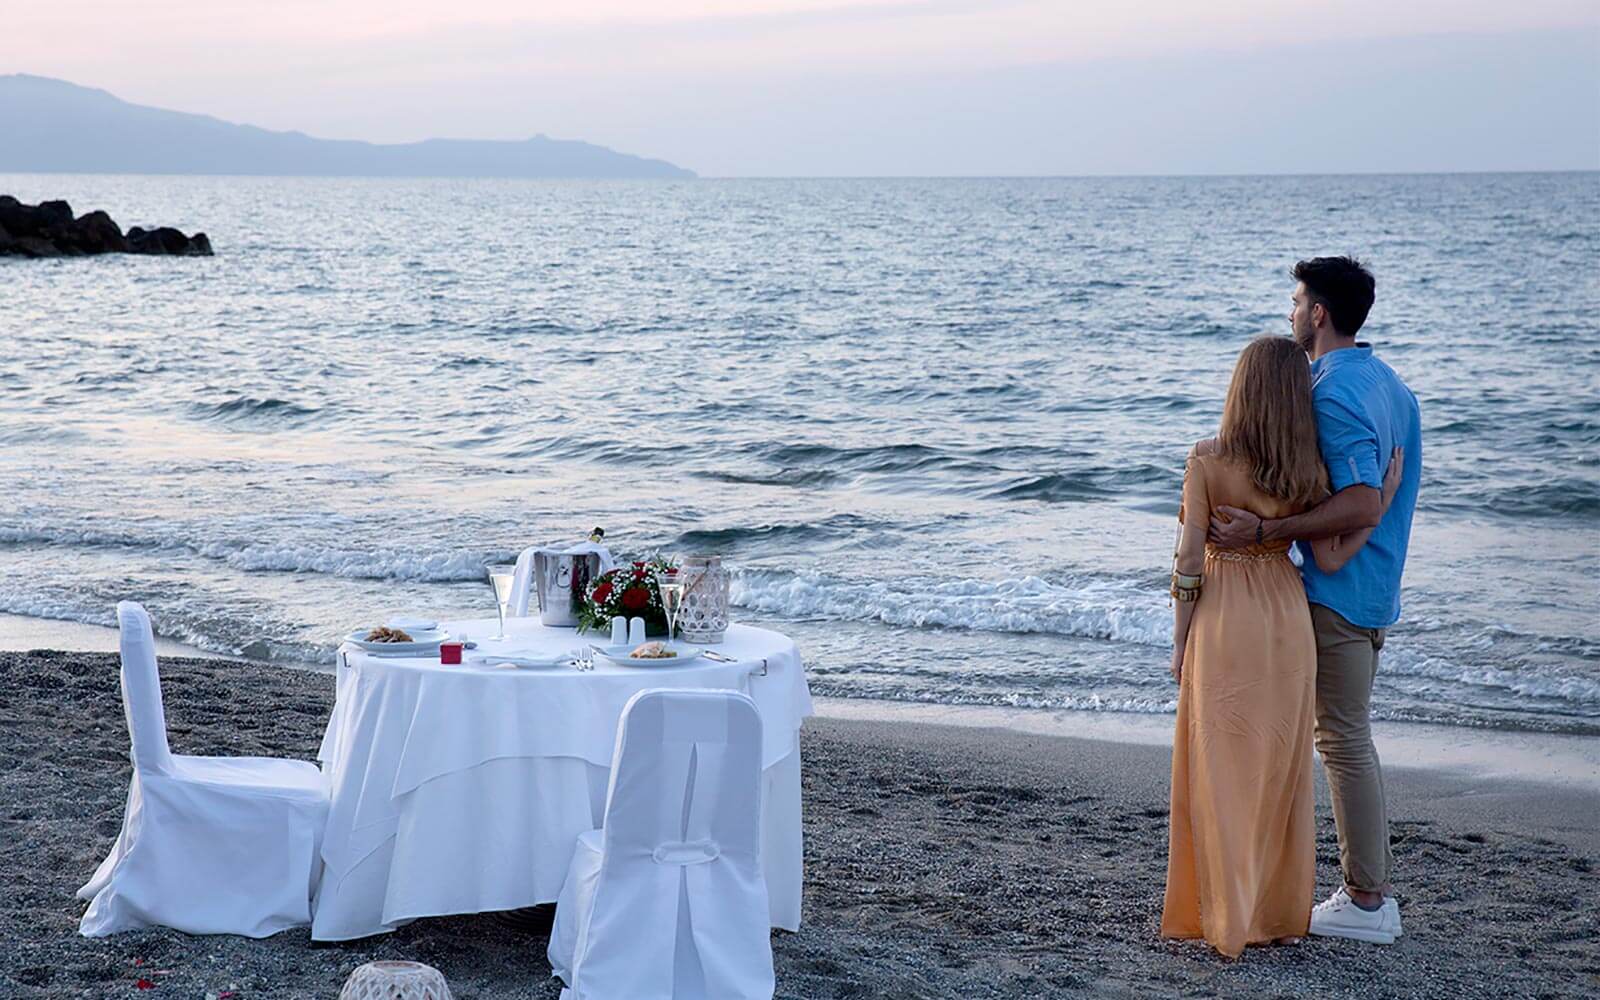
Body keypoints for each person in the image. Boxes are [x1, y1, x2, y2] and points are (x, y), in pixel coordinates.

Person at [1162, 335, 1398, 957]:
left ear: (1240, 388)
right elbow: (1333, 551)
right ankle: (1274, 914)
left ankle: (1227, 915)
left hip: (1225, 618)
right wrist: (1385, 501)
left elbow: (1189, 563)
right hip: (1287, 619)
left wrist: (1180, 641)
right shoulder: (1307, 470)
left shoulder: (1206, 460)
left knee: (1221, 770)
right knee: (1278, 772)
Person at [1209, 256, 1422, 945]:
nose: (1292, 311)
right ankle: (1358, 890)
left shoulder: (1330, 391)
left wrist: (1270, 528)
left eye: (1297, 300)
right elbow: (1379, 499)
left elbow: (1361, 499)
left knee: (1342, 740)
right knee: (1344, 736)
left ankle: (1366, 899)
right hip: (1373, 587)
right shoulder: (1393, 385)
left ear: (1320, 313)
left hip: (1339, 594)